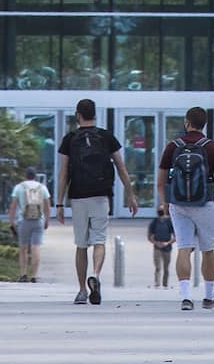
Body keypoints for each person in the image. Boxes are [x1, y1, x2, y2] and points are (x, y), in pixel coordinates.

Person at [56, 98, 138, 305]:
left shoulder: (70, 138)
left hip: (78, 196)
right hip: (101, 194)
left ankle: (82, 290)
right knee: (99, 240)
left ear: (78, 115)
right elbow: (121, 167)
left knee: (81, 244)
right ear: (95, 115)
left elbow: (64, 172)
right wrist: (130, 194)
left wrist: (59, 203)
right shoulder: (106, 136)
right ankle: (96, 275)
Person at [156, 106, 214, 311]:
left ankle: (186, 298)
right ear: (204, 123)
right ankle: (208, 296)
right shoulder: (213, 148)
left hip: (179, 204)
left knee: (184, 248)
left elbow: (161, 181)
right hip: (205, 203)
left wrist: (165, 202)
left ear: (187, 122)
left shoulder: (173, 146)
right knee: (208, 250)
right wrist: (208, 188)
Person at [8, 167, 51, 283]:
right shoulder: (42, 188)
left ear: (25, 175)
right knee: (35, 247)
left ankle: (23, 274)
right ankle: (35, 275)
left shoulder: (19, 187)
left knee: (23, 248)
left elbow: (13, 205)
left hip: (23, 220)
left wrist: (11, 221)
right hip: (38, 220)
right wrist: (47, 220)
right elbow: (47, 205)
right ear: (35, 176)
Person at [147, 205, 176, 288]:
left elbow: (175, 237)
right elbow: (150, 236)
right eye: (159, 210)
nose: (160, 212)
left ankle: (165, 284)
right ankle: (157, 283)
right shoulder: (154, 222)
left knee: (166, 268)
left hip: (167, 247)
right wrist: (156, 243)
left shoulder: (169, 222)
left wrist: (167, 243)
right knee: (158, 267)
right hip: (157, 247)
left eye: (161, 210)